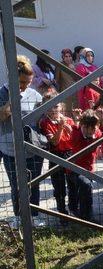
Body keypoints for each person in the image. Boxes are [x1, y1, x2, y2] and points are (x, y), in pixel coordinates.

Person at [0, 56, 45, 229]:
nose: (25, 86)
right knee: (16, 185)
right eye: (21, 82)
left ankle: (34, 215)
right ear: (12, 77)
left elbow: (42, 119)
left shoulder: (34, 94)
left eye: (28, 82)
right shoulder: (2, 93)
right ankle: (19, 216)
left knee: (34, 183)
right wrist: (13, 100)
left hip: (32, 148)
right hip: (9, 148)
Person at [39, 93, 74, 221]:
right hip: (56, 155)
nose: (53, 109)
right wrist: (60, 128)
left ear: (61, 107)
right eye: (50, 107)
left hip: (70, 153)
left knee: (73, 183)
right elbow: (54, 142)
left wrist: (69, 128)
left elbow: (74, 139)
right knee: (59, 186)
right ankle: (62, 212)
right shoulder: (45, 122)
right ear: (44, 107)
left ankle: (74, 208)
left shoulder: (68, 120)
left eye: (56, 106)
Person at [68, 109, 102, 221]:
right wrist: (77, 120)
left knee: (85, 190)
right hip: (74, 168)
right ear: (84, 125)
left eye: (94, 127)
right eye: (90, 128)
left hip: (89, 169)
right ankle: (79, 213)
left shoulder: (97, 132)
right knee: (82, 187)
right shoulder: (76, 132)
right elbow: (77, 139)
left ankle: (86, 216)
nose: (93, 131)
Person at [54, 48, 77, 114]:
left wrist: (73, 70)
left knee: (75, 112)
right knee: (65, 112)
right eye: (66, 56)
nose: (68, 58)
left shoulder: (74, 65)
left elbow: (77, 79)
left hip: (75, 93)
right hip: (65, 93)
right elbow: (56, 80)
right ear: (63, 57)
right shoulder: (60, 65)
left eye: (70, 56)